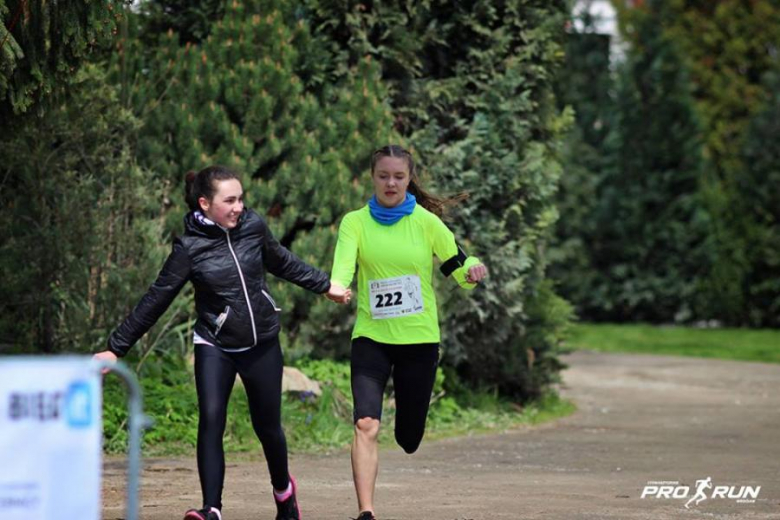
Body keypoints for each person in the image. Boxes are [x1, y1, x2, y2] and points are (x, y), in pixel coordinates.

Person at [93, 165, 351, 520]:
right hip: (214, 342)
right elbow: (157, 298)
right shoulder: (189, 248)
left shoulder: (253, 227)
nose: (238, 207)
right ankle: (211, 508)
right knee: (211, 418)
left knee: (268, 427)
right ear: (204, 203)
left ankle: (284, 494)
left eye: (241, 198)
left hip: (261, 342)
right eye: (229, 200)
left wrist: (324, 285)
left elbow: (282, 261)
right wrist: (116, 347)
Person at [330, 145, 488, 520]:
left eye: (398, 176)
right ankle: (366, 511)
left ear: (409, 179)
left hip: (418, 340)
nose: (390, 183)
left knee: (409, 437)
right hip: (371, 338)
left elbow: (459, 264)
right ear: (372, 177)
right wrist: (337, 285)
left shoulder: (426, 222)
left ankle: (409, 431)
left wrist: (474, 270)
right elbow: (342, 267)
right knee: (366, 423)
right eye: (383, 175)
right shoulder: (355, 222)